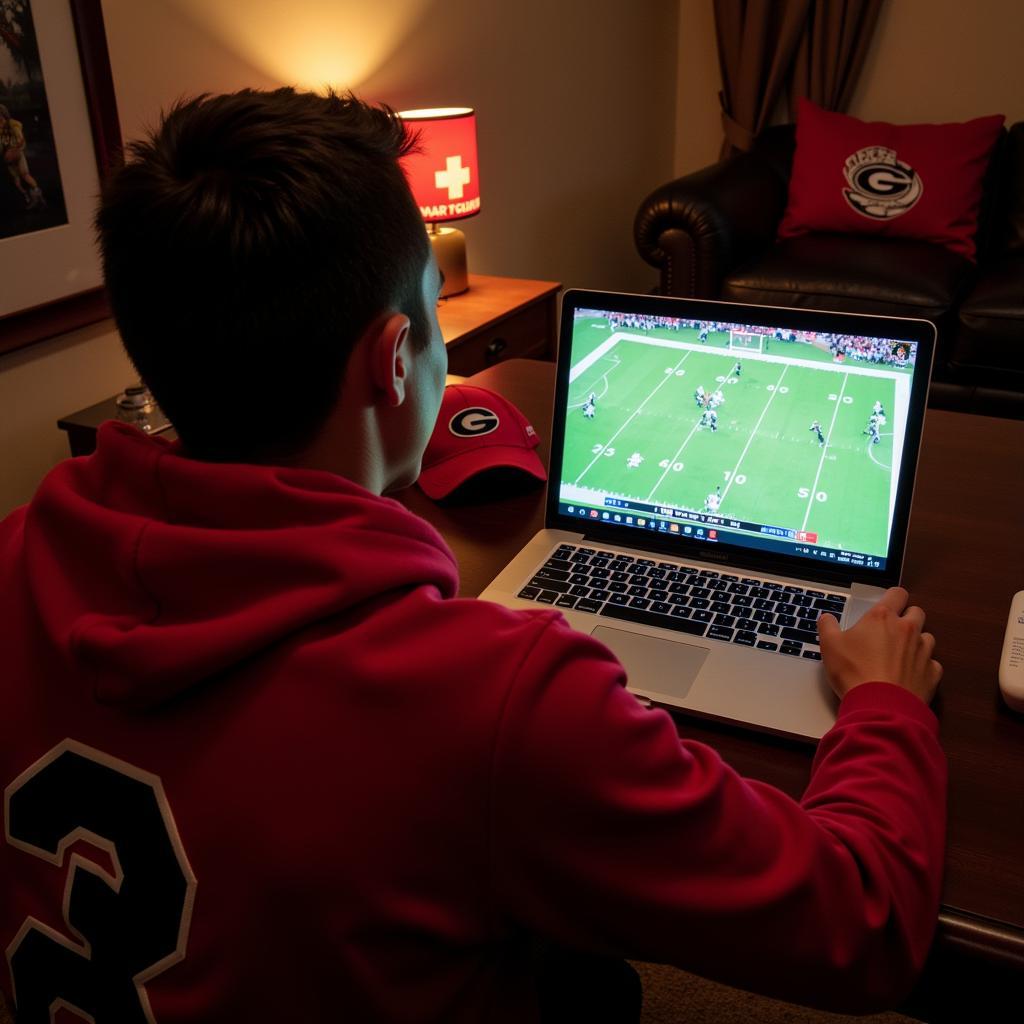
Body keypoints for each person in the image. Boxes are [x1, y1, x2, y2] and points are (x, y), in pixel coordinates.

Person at [0, 89, 945, 1023]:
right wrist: (886, 705)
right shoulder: (498, 701)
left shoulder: (16, 553)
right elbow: (862, 926)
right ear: (397, 359)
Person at [0, 103, 45, 209]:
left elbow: (21, 140)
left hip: (17, 153)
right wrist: (5, 154)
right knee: (16, 180)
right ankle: (27, 197)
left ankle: (37, 195)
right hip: (8, 158)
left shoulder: (12, 124)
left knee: (25, 174)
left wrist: (14, 150)